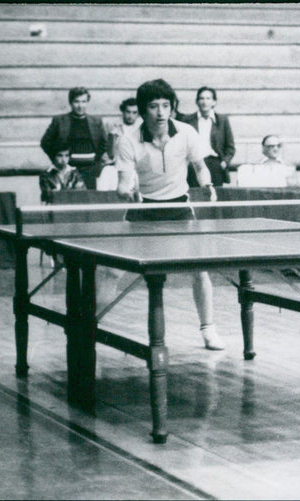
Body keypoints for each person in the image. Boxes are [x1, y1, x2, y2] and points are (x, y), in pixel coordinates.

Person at [115, 78, 225, 351]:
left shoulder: (187, 132)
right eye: (154, 106)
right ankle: (90, 326)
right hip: (144, 208)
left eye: (166, 105)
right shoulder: (128, 141)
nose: (161, 112)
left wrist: (207, 184)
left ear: (173, 107)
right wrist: (124, 191)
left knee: (200, 269)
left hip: (178, 207)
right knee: (109, 271)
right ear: (143, 110)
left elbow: (200, 167)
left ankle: (209, 330)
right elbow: (122, 183)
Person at [40, 87, 108, 190]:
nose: (80, 106)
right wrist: (58, 159)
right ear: (70, 103)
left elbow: (105, 143)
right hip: (68, 171)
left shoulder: (96, 121)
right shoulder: (59, 121)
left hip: (91, 170)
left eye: (84, 102)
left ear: (88, 102)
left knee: (90, 200)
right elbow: (45, 142)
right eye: (76, 102)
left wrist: (96, 160)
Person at [183, 86, 236, 187]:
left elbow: (230, 147)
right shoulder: (188, 120)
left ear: (214, 102)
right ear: (197, 102)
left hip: (215, 164)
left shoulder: (222, 120)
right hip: (194, 164)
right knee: (195, 195)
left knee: (215, 195)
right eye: (201, 98)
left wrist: (224, 162)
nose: (204, 102)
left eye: (208, 98)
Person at [106, 98, 141, 163]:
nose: (131, 116)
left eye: (134, 113)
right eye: (128, 112)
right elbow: (110, 154)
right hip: (118, 163)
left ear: (138, 114)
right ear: (123, 112)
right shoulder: (115, 127)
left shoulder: (141, 129)